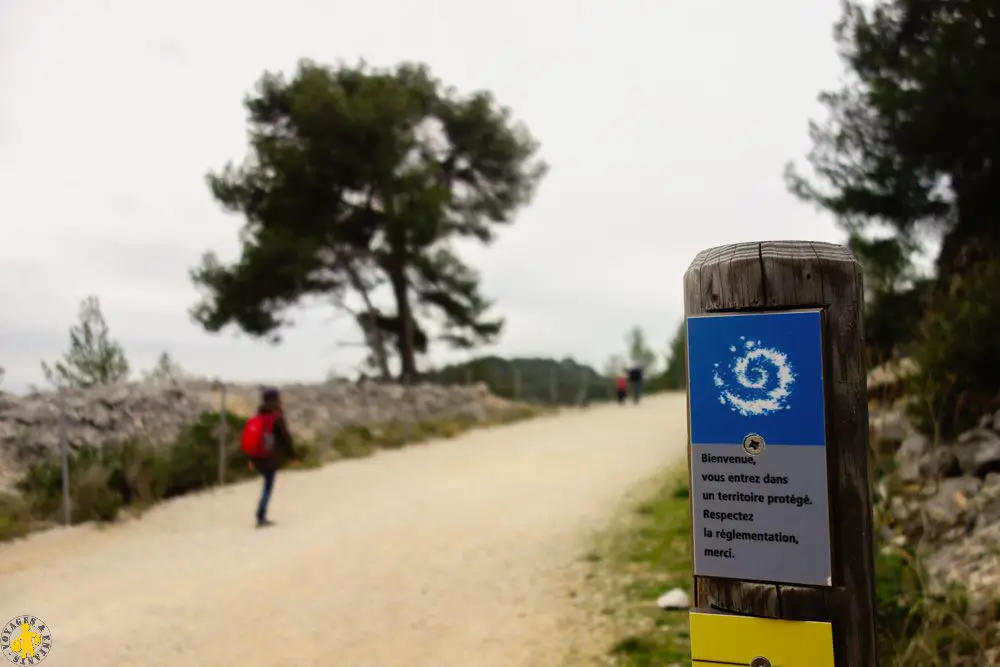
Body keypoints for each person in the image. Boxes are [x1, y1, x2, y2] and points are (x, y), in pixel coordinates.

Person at [246, 387, 296, 528]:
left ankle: (261, 514)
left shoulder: (259, 415)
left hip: (258, 456)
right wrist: (292, 455)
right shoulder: (276, 416)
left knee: (266, 484)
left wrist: (251, 458)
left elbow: (253, 438)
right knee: (268, 487)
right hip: (270, 456)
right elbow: (285, 437)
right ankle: (261, 516)